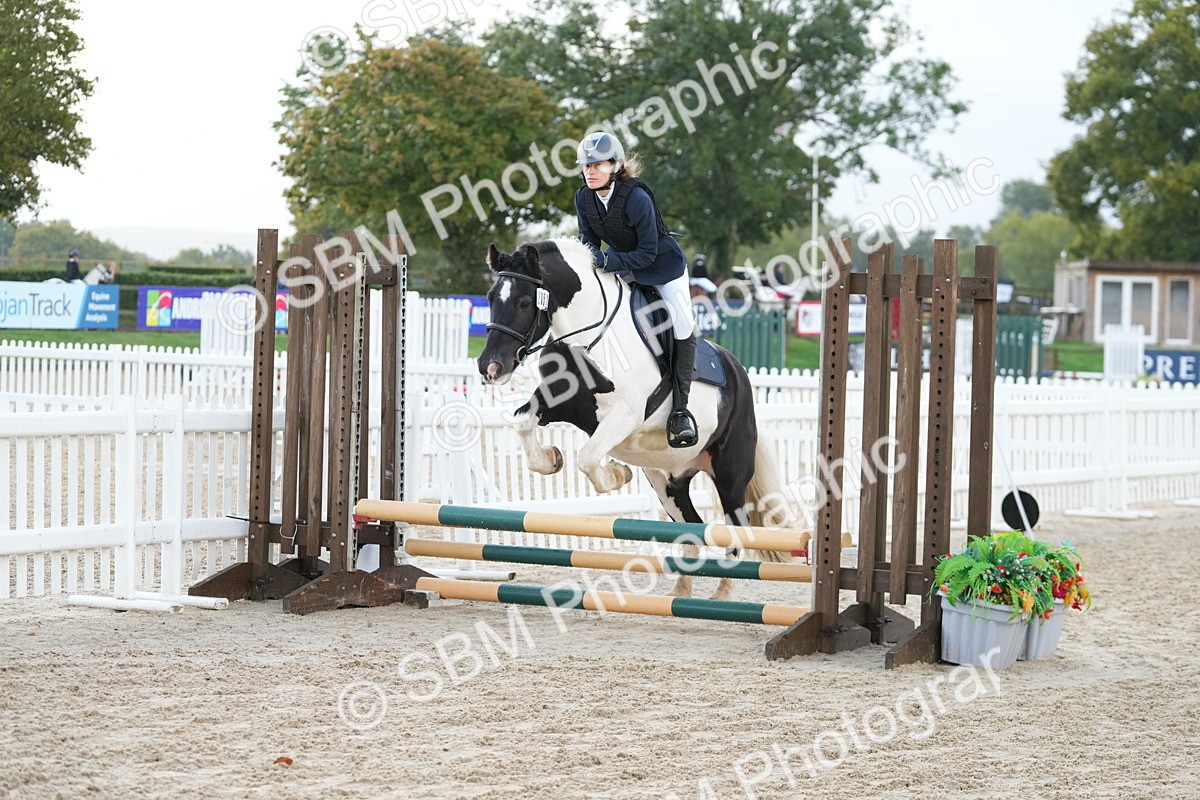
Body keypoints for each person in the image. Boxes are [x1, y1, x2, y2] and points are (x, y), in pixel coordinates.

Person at [575, 130, 698, 448]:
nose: (590, 171)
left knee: (682, 324)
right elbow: (589, 244)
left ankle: (681, 412)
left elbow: (647, 253)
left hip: (664, 268)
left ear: (615, 166)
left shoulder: (637, 198)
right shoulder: (584, 198)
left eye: (597, 165)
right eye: (586, 166)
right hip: (627, 270)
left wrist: (607, 260)